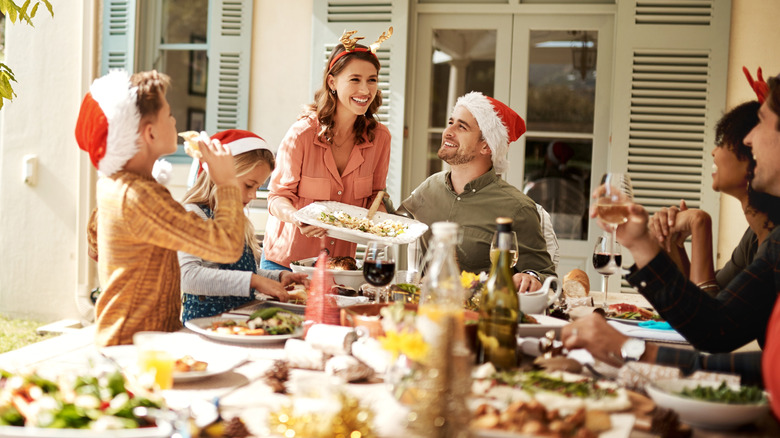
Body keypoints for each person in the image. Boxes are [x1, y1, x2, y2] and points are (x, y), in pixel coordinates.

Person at [564, 72, 780, 395]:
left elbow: (718, 331)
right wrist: (643, 244)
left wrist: (634, 350)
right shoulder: (769, 242)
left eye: (761, 122)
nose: (750, 139)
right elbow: (715, 324)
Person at [78, 70, 246, 347]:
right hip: (134, 348)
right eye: (168, 114)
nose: (174, 120)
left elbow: (94, 245)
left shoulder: (114, 183)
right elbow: (227, 246)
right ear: (151, 132)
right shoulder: (140, 196)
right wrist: (227, 182)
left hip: (129, 339)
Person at [396, 92, 556, 292]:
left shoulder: (517, 208)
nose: (448, 131)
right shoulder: (429, 188)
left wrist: (531, 277)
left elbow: (545, 275)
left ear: (486, 146)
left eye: (461, 127)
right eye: (451, 122)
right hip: (427, 310)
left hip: (483, 314)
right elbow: (392, 224)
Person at [262, 28, 393, 270]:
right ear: (332, 82)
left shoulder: (380, 138)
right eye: (355, 79)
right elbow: (277, 197)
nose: (365, 90)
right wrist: (297, 218)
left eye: (371, 80)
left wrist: (385, 227)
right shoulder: (302, 134)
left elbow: (376, 197)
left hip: (340, 267)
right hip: (286, 265)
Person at [178, 130, 309, 322]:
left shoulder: (235, 218)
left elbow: (239, 271)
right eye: (249, 185)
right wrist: (254, 281)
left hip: (238, 324)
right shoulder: (193, 215)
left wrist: (277, 277)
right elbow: (188, 277)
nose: (253, 196)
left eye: (257, 188)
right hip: (206, 326)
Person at [649, 101, 777, 295]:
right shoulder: (753, 237)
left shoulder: (775, 240)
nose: (714, 151)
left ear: (752, 157)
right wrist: (675, 243)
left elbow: (710, 322)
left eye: (723, 142)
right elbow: (705, 304)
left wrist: (700, 224)